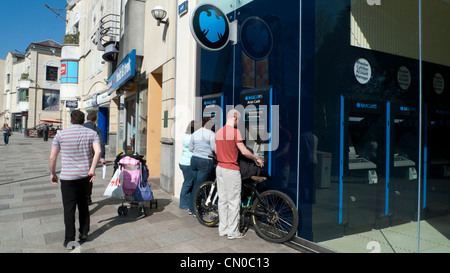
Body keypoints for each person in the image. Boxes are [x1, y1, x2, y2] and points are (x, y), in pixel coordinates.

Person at [49, 110, 101, 249]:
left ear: (71, 120)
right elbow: (99, 151)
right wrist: (92, 169)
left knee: (69, 208)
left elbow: (52, 157)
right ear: (83, 121)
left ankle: (69, 240)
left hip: (67, 178)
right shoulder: (92, 133)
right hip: (84, 176)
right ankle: (84, 232)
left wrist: (53, 173)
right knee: (83, 205)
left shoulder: (60, 134)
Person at [215, 109, 263, 239]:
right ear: (235, 117)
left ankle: (223, 229)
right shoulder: (235, 132)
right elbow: (244, 152)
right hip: (231, 169)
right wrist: (256, 158)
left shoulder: (219, 132)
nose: (238, 123)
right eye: (239, 120)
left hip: (219, 168)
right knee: (234, 201)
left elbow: (215, 150)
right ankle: (233, 232)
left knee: (223, 200)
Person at [188, 117, 216, 215]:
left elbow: (190, 148)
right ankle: (195, 210)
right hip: (205, 161)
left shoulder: (195, 133)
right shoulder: (211, 134)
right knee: (200, 186)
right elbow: (214, 148)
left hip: (194, 160)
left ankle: (191, 208)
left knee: (195, 184)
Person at [83, 112, 106, 205]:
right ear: (95, 120)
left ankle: (80, 197)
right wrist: (102, 157)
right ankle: (88, 198)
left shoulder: (80, 127)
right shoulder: (97, 129)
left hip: (79, 156)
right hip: (91, 157)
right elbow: (101, 144)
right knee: (89, 176)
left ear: (86, 119)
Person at [178, 120, 198, 212]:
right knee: (188, 183)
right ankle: (184, 204)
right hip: (188, 163)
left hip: (184, 162)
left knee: (187, 183)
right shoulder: (191, 138)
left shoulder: (187, 136)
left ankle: (185, 203)